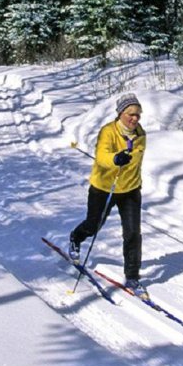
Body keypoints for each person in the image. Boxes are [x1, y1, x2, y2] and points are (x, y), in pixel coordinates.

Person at [69, 93, 148, 294]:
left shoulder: (141, 135)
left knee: (132, 233)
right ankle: (76, 238)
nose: (135, 119)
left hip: (130, 190)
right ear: (120, 113)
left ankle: (132, 277)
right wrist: (115, 159)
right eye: (131, 114)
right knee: (94, 225)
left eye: (138, 115)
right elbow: (102, 156)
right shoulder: (107, 132)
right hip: (104, 188)